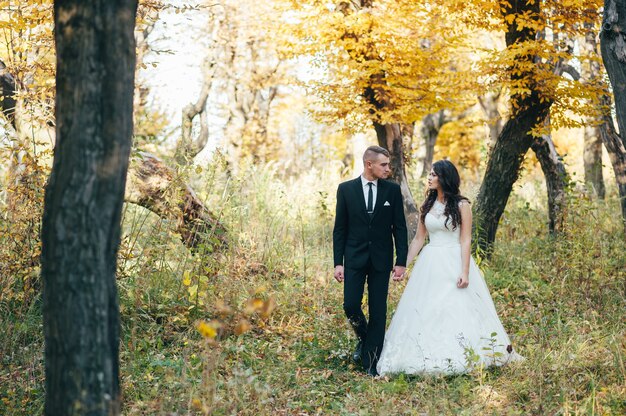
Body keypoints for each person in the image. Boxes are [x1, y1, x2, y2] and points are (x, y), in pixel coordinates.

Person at [377, 160, 522, 376]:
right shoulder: (427, 204)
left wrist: (464, 271)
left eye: (434, 174)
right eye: (430, 173)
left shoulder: (462, 205)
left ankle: (465, 353)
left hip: (454, 260)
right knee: (427, 306)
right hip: (430, 262)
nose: (429, 177)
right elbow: (418, 239)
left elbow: (465, 240)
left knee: (456, 306)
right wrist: (402, 265)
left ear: (445, 178)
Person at [333, 146, 408, 376]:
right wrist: (338, 262)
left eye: (388, 164)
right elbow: (340, 228)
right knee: (351, 305)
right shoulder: (345, 189)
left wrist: (401, 260)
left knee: (378, 310)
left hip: (381, 260)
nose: (388, 168)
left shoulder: (392, 191)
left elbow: (400, 227)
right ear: (369, 165)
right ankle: (365, 340)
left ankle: (371, 363)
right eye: (383, 165)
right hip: (354, 258)